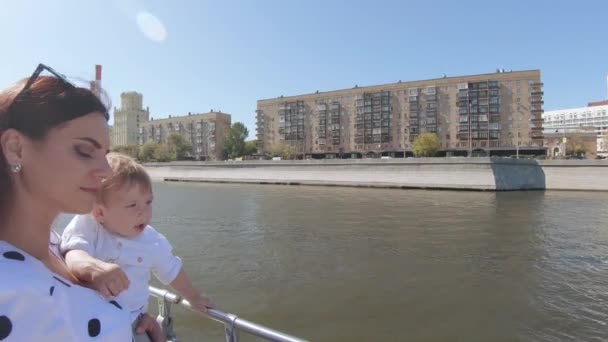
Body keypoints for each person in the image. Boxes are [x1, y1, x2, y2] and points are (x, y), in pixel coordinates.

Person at [0, 64, 162, 341]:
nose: (106, 171)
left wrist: (133, 319)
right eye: (85, 151)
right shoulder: (11, 291)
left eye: (105, 154)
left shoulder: (53, 243)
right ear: (16, 148)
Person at [61, 152, 213, 341]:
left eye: (148, 202)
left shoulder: (151, 240)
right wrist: (92, 267)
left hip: (135, 322)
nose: (144, 212)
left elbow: (172, 270)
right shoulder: (88, 225)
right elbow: (73, 251)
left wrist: (194, 297)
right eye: (132, 205)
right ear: (100, 212)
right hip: (90, 322)